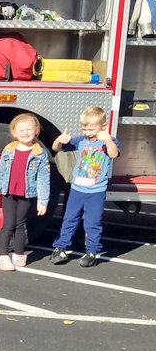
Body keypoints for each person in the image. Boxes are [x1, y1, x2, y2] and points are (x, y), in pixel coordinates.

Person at [49, 106, 119, 267]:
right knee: (69, 219)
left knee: (92, 222)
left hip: (96, 191)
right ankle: (60, 248)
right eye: (84, 128)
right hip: (77, 189)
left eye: (91, 129)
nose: (87, 132)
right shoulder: (81, 140)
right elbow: (55, 149)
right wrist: (59, 140)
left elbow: (114, 154)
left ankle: (92, 251)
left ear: (103, 126)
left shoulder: (109, 141)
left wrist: (107, 140)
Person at [0, 113, 51, 271]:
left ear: (36, 131)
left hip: (27, 195)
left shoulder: (40, 154)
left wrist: (43, 202)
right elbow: (0, 173)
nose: (25, 133)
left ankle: (19, 254)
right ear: (14, 132)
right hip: (9, 193)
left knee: (21, 225)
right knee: (8, 224)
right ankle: (2, 256)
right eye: (21, 130)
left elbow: (43, 179)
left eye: (29, 129)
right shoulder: (8, 151)